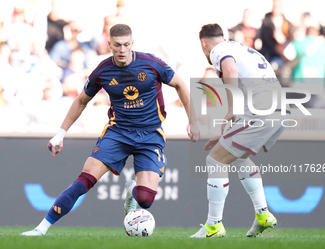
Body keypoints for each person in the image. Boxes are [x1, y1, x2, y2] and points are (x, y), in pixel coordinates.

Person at [21, 24, 200, 236]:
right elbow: (80, 101)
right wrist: (60, 133)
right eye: (117, 45)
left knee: (145, 200)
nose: (122, 50)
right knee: (84, 180)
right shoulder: (102, 71)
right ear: (110, 45)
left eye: (126, 45)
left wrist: (194, 121)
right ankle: (41, 229)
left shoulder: (151, 64)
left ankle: (132, 193)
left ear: (132, 43)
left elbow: (180, 84)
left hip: (150, 135)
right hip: (118, 133)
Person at [191, 23, 288, 238]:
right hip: (279, 109)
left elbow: (230, 70)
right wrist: (229, 132)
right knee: (237, 157)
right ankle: (263, 215)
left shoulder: (219, 50)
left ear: (204, 43)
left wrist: (231, 108)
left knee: (214, 160)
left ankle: (213, 226)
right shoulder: (241, 48)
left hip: (261, 110)